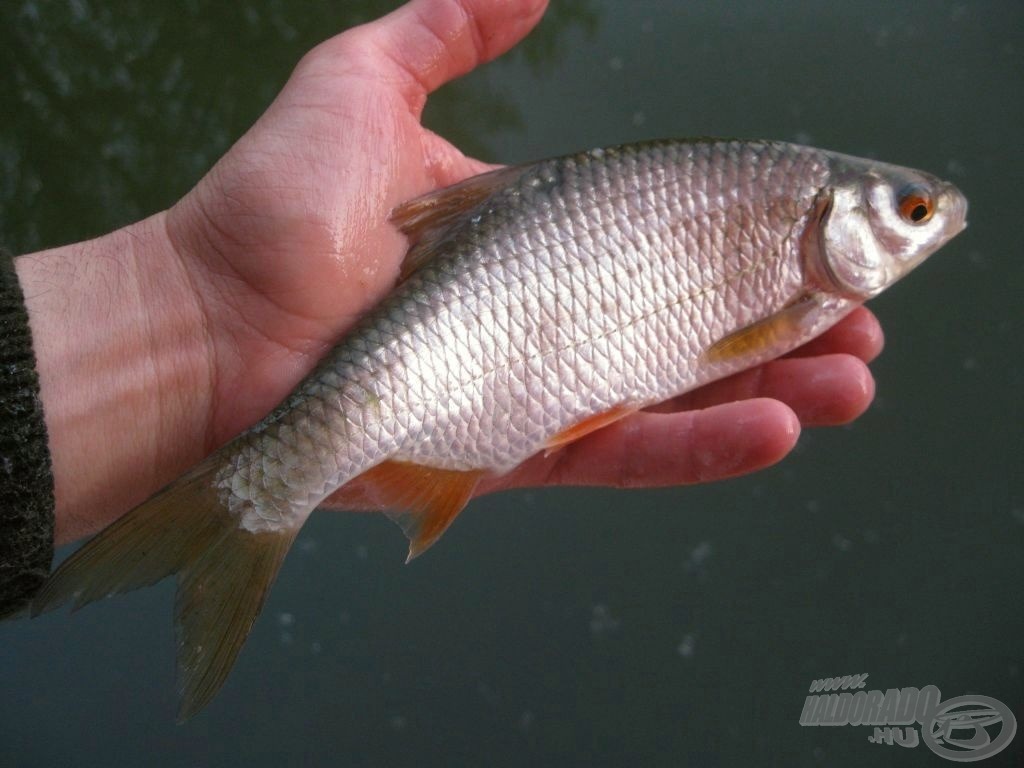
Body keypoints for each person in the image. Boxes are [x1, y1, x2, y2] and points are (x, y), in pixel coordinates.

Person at [0, 0, 881, 615]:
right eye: (909, 215)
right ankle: (252, 500)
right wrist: (195, 305)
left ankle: (249, 497)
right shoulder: (803, 276)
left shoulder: (798, 262)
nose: (921, 227)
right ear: (829, 216)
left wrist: (182, 318)